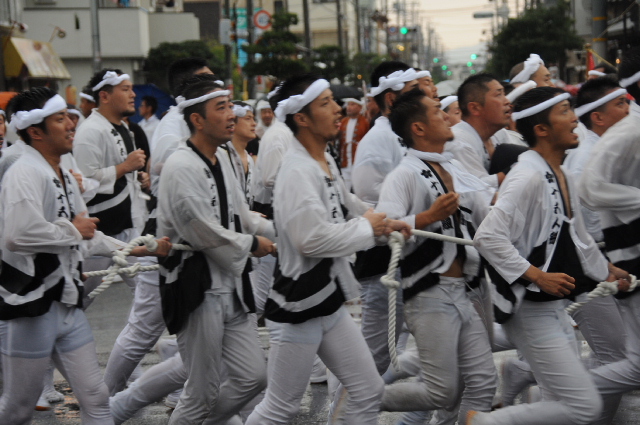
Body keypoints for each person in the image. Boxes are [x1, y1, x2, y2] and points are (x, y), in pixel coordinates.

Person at [245, 73, 410, 425]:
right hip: (298, 303)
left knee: (368, 389)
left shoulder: (323, 159)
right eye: (326, 103)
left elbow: (346, 201)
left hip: (327, 298)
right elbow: (311, 240)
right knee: (280, 408)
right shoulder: (297, 170)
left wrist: (383, 221)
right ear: (302, 118)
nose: (338, 109)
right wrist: (369, 228)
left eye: (334, 100)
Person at [0, 87, 169, 424]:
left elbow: (86, 235)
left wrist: (135, 250)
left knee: (96, 398)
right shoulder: (23, 171)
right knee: (18, 408)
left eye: (69, 117)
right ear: (35, 131)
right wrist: (73, 230)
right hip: (32, 306)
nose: (71, 124)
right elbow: (17, 235)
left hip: (67, 303)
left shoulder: (63, 171)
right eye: (60, 119)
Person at [468, 86, 629, 425]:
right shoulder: (526, 176)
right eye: (565, 112)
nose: (574, 120)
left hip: (553, 305)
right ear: (541, 129)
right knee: (583, 407)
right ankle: (484, 422)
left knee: (560, 405)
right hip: (529, 309)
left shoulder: (560, 172)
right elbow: (488, 236)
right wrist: (537, 275)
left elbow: (580, 238)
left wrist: (608, 271)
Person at [158, 78, 275, 425]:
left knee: (253, 376)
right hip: (197, 287)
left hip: (231, 284)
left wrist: (285, 232)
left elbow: (242, 214)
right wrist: (252, 244)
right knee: (201, 390)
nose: (231, 114)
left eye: (230, 106)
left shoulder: (223, 156)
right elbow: (202, 231)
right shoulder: (181, 165)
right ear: (197, 119)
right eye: (221, 108)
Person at [377, 88, 496, 423]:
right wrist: (428, 217)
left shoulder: (452, 166)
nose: (446, 116)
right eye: (437, 111)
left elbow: (486, 213)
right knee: (441, 392)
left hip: (465, 290)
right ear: (418, 128)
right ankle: (363, 396)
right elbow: (383, 228)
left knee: (483, 381)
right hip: (429, 293)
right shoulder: (404, 174)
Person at [350, 61, 426, 377]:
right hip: (384, 257)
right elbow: (368, 200)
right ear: (392, 99)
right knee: (373, 359)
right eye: (415, 91)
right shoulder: (378, 139)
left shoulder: (403, 134)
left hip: (410, 253)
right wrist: (423, 215)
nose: (424, 97)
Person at [579, 47, 640, 424]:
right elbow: (590, 188)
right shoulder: (625, 132)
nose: (626, 106)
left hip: (624, 258)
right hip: (627, 259)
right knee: (633, 365)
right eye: (619, 102)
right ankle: (559, 394)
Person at [445, 73, 512, 194]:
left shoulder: (500, 134)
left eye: (504, 94)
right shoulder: (458, 141)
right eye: (498, 95)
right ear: (475, 108)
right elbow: (476, 188)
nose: (507, 101)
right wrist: (517, 169)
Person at [338, 97, 369, 190]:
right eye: (348, 104)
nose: (349, 107)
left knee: (359, 189)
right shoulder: (343, 122)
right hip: (345, 163)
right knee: (345, 189)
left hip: (358, 163)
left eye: (352, 104)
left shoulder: (365, 122)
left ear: (360, 107)